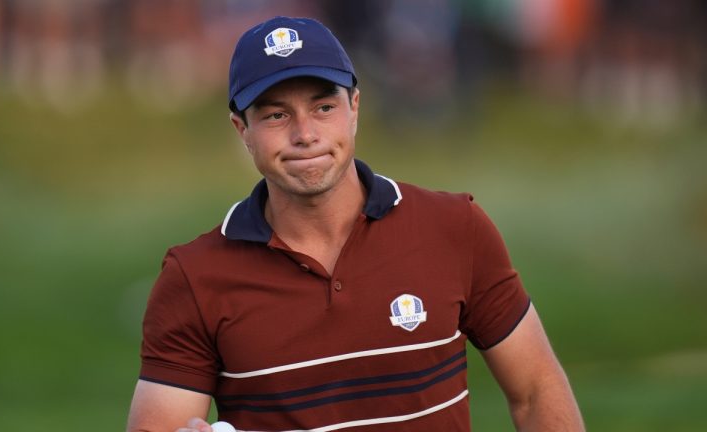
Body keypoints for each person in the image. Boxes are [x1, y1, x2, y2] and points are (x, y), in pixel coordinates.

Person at [126, 16, 584, 432]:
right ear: (241, 130)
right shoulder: (194, 278)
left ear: (355, 108)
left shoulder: (454, 228)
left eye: (324, 107)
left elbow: (536, 390)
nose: (305, 134)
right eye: (276, 114)